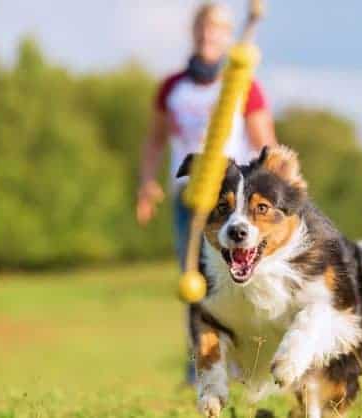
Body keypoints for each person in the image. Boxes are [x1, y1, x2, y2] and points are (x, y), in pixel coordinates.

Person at [136, 2, 276, 383]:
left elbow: (265, 141)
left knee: (236, 277)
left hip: (233, 200)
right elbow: (154, 141)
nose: (207, 35)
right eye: (202, 28)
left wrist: (272, 188)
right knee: (195, 280)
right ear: (193, 32)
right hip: (187, 197)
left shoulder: (242, 84)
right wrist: (146, 185)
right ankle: (201, 366)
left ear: (226, 36)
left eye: (216, 29)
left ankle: (247, 359)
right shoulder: (173, 87)